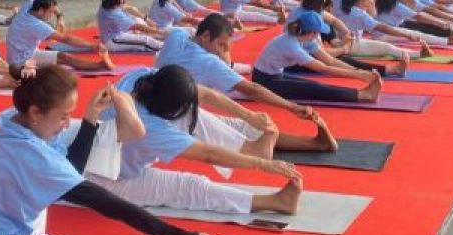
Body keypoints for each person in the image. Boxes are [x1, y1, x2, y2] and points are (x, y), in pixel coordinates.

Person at [0, 65, 238, 235]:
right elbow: (108, 203)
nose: (63, 123)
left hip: (19, 219)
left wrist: (91, 117)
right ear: (35, 112)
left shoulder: (12, 117)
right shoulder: (26, 152)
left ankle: (115, 132)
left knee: (81, 138)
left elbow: (71, 168)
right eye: (63, 116)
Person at [85, 65, 303, 217]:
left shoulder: (144, 78)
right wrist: (263, 165)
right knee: (190, 187)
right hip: (108, 178)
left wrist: (249, 115)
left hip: (113, 149)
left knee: (191, 113)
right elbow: (208, 154)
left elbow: (205, 94)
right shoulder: (151, 127)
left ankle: (251, 149)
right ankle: (275, 202)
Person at [156, 14, 337, 153]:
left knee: (237, 122)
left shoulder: (177, 36)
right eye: (221, 44)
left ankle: (315, 144)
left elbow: (188, 29)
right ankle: (316, 145)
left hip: (159, 104)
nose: (223, 50)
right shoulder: (207, 62)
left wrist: (223, 51)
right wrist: (291, 107)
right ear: (205, 36)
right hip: (173, 119)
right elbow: (252, 89)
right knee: (242, 130)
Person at [251, 11, 382, 103]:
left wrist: (359, 72)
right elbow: (324, 69)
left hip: (276, 75)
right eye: (319, 33)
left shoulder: (305, 38)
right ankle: (364, 95)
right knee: (316, 89)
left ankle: (364, 93)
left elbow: (329, 60)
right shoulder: (291, 45)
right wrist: (360, 75)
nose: (319, 35)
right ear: (313, 32)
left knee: (314, 84)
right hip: (263, 82)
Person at [5, 0, 114, 77]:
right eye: (50, 12)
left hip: (30, 53)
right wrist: (92, 45)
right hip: (20, 62)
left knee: (63, 57)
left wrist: (59, 16)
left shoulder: (30, 5)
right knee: (52, 74)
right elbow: (66, 39)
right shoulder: (35, 24)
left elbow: (52, 4)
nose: (52, 14)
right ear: (41, 11)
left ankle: (101, 65)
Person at [98, 0, 166, 52]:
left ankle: (161, 38)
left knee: (138, 20)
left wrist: (147, 19)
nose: (125, 1)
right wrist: (160, 32)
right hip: (113, 41)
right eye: (123, 0)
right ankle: (165, 48)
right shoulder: (114, 15)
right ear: (117, 3)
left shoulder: (107, 5)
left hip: (116, 32)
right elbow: (138, 27)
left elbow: (131, 9)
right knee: (145, 40)